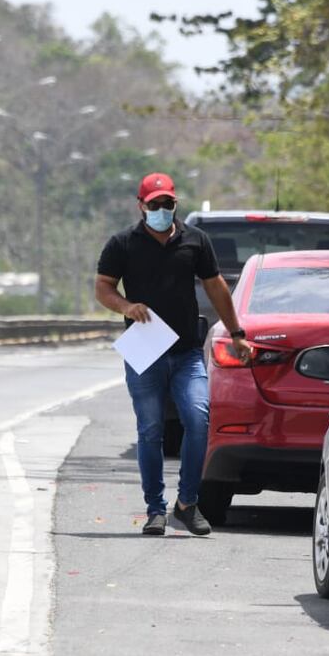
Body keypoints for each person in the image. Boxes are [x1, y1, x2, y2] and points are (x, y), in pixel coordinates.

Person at [95, 173, 250, 536]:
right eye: (155, 205)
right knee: (150, 430)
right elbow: (103, 287)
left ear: (175, 204)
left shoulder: (195, 241)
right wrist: (126, 305)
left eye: (168, 204)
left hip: (186, 351)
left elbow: (216, 286)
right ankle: (155, 510)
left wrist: (237, 333)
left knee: (197, 420)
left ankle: (187, 503)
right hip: (144, 352)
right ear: (141, 206)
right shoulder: (122, 244)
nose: (162, 210)